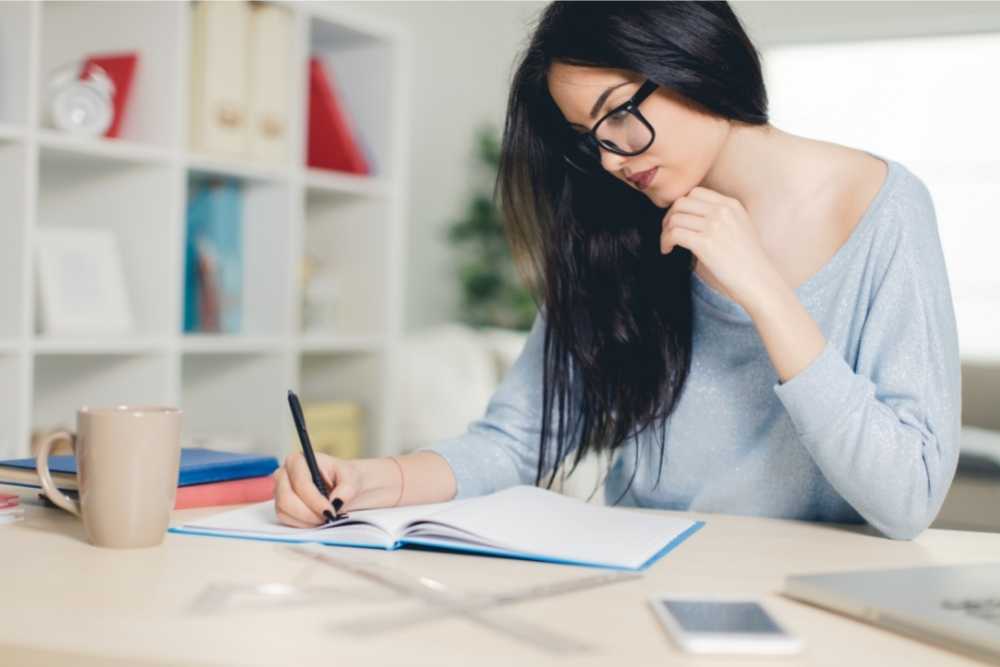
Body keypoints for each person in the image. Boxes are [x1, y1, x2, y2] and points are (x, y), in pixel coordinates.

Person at [274, 1, 961, 540]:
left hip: (806, 601)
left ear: (692, 51)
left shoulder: (883, 210)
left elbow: (908, 499)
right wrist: (371, 480)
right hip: (641, 578)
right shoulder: (619, 227)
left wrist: (765, 292)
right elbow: (518, 438)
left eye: (620, 114)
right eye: (588, 138)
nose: (611, 157)